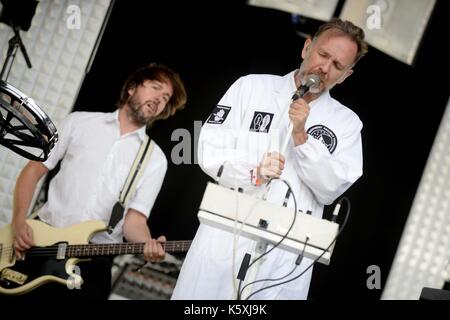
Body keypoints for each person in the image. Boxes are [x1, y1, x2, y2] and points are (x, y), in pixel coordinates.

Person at [172, 18, 368, 300]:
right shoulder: (251, 88)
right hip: (225, 239)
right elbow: (209, 149)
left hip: (284, 260)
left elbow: (331, 189)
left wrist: (302, 137)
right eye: (323, 55)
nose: (325, 68)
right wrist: (254, 174)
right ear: (307, 47)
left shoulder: (347, 124)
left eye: (337, 65)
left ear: (346, 75)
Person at [11, 63, 187, 299]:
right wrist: (18, 221)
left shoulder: (155, 159)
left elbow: (134, 220)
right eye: (155, 88)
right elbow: (33, 170)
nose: (159, 99)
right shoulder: (79, 122)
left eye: (166, 98)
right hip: (38, 245)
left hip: (93, 262)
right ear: (132, 88)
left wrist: (148, 244)